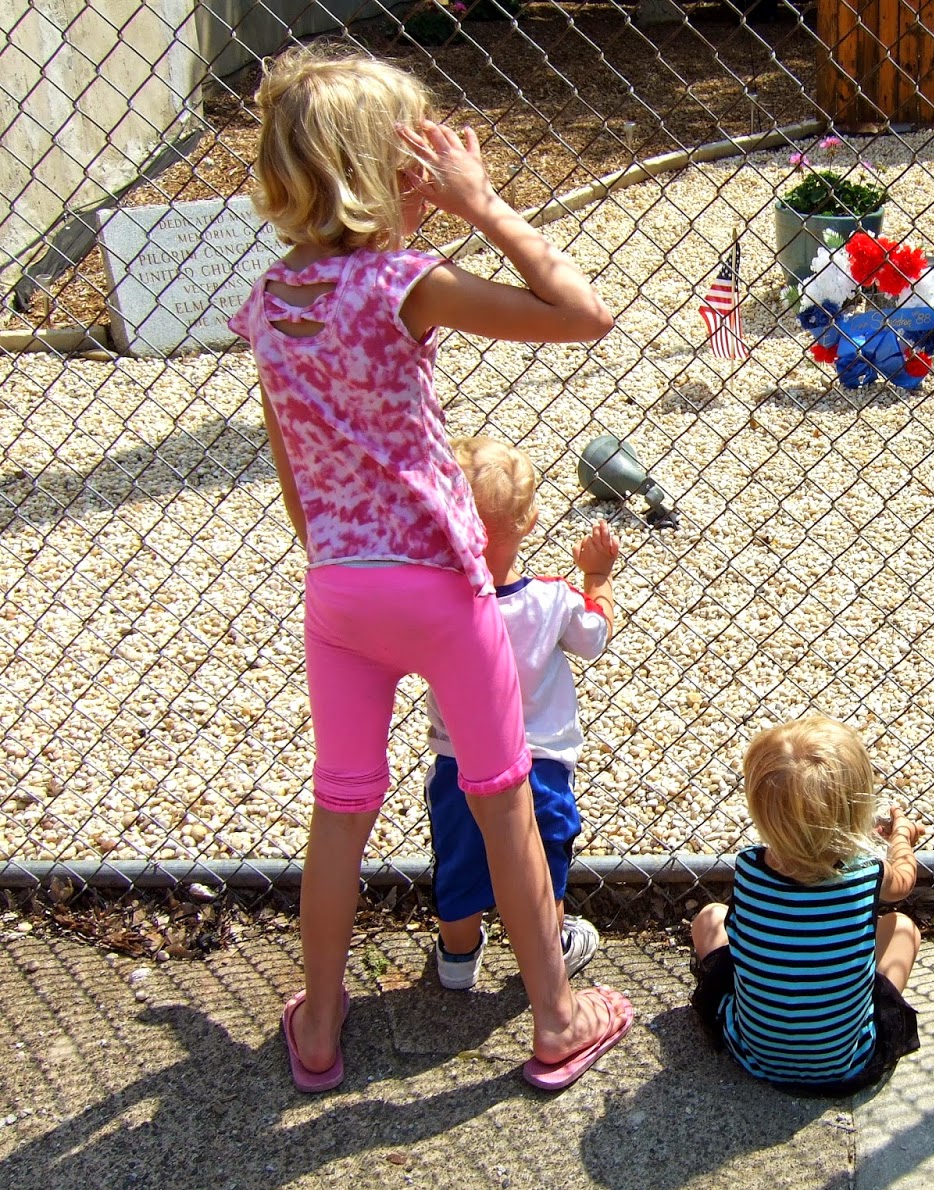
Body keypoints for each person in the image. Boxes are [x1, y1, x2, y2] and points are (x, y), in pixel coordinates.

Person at [228, 47, 631, 1093]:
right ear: (384, 174)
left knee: (341, 808)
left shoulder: (272, 300)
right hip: (441, 592)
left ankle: (321, 1028)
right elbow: (583, 315)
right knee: (501, 799)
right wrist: (482, 204)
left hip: (339, 590)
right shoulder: (405, 282)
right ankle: (556, 1019)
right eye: (418, 160)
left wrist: (342, 561)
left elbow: (294, 479)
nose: (431, 175)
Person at [425, 435, 617, 990]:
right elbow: (594, 637)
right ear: (529, 522)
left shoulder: (435, 602)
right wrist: (598, 579)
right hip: (541, 763)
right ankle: (550, 947)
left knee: (460, 859)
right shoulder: (552, 600)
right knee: (543, 860)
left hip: (459, 761)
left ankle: (457, 958)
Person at [689, 715, 924, 1095]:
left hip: (753, 1053)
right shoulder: (869, 874)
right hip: (848, 1060)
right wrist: (902, 836)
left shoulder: (749, 868)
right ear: (857, 810)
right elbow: (903, 882)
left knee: (710, 916)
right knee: (902, 928)